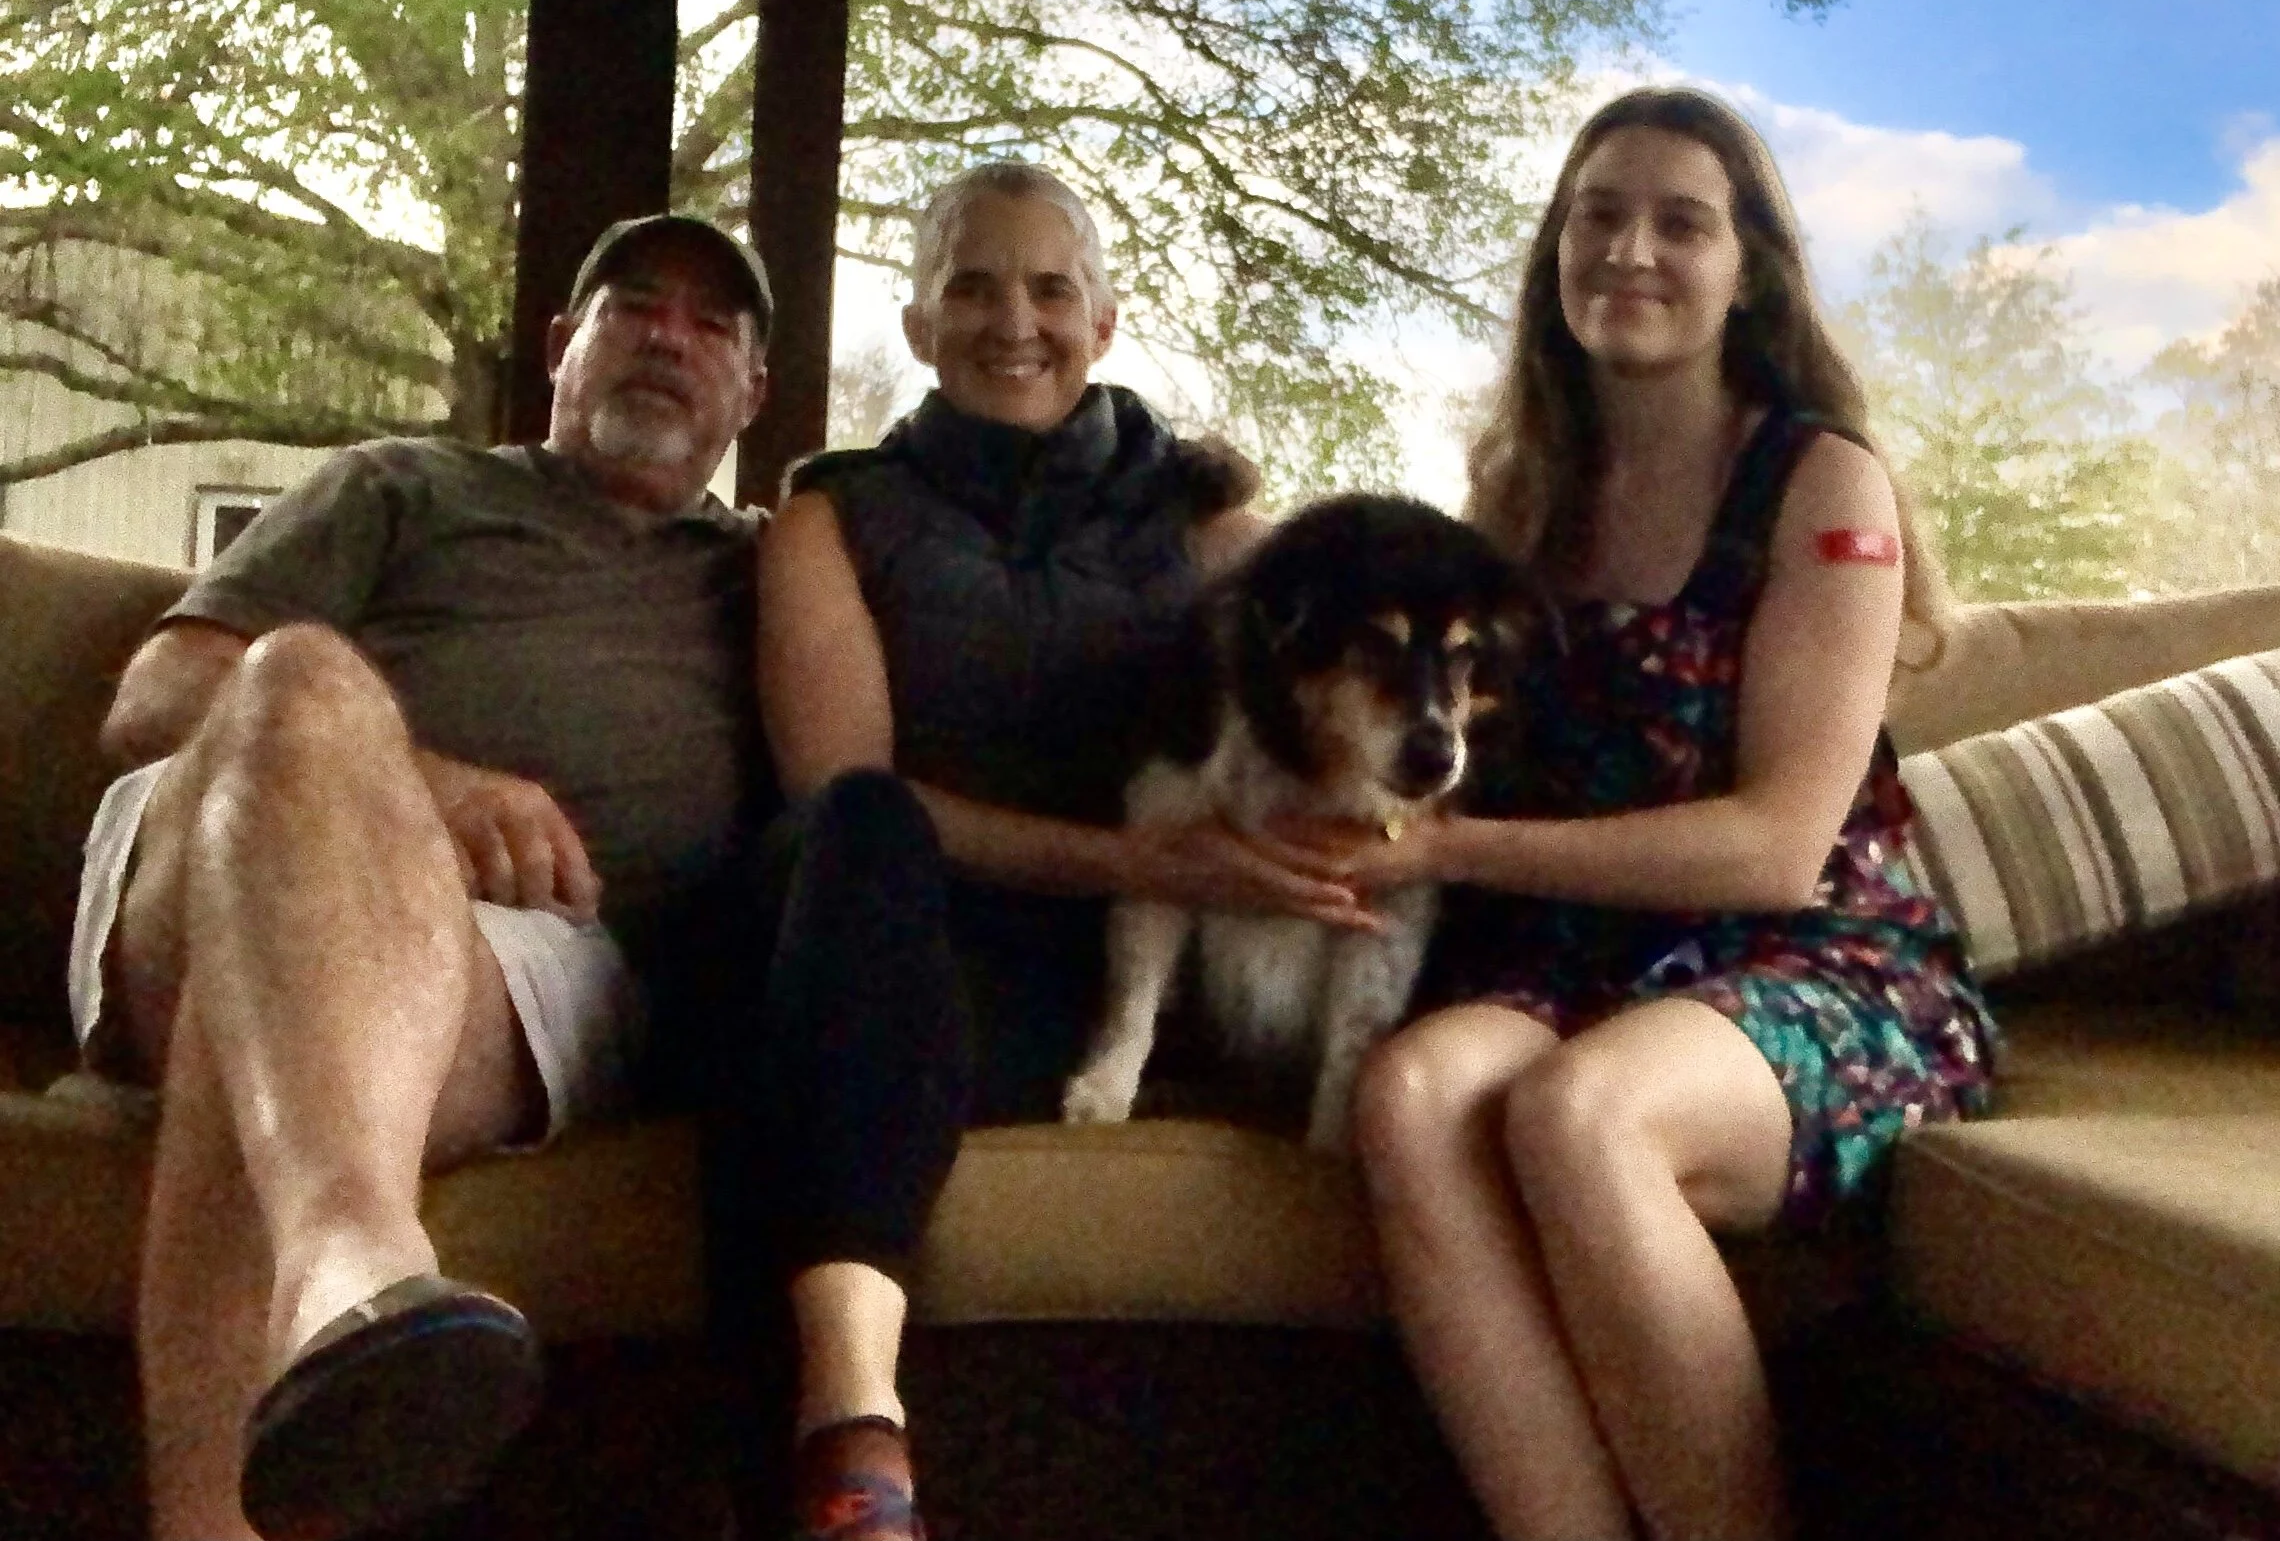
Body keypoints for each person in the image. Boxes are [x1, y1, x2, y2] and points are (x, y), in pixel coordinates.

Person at [1293, 87, 2001, 1541]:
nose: (1629, 250)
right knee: (1409, 1097)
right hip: (1583, 961)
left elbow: (1777, 848)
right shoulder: (1520, 495)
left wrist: (1454, 848)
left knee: (1583, 1113)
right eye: (1598, 216)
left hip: (1816, 960)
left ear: (1750, 274)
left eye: (1681, 223)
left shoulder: (1818, 481)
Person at [69, 212, 773, 1541]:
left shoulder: (767, 571)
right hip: (218, 841)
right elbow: (158, 696)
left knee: (268, 1016)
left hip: (524, 962)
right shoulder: (402, 485)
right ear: (560, 347)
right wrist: (431, 786)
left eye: (712, 325)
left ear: (753, 392)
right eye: (634, 307)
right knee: (297, 676)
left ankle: (316, 1330)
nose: (669, 339)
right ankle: (352, 1252)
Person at [728, 160, 1372, 1540]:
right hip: (886, 940)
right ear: (918, 325)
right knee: (861, 827)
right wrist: (1150, 866)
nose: (1013, 322)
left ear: (1105, 322)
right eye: (972, 288)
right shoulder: (831, 516)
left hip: (1104, 986)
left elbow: (1359, 677)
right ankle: (854, 1428)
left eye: (1050, 289)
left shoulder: (1205, 521)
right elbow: (840, 787)